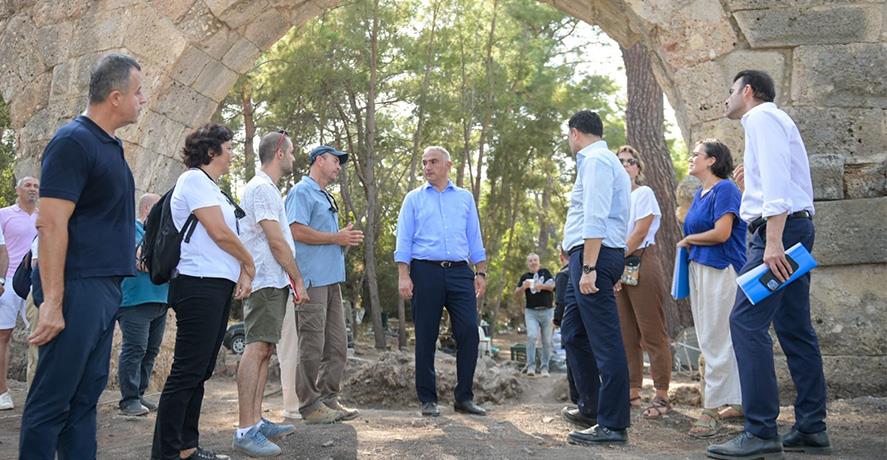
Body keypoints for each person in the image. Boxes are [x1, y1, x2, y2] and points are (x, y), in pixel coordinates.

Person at [19, 53, 144, 459]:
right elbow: (50, 224)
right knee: (52, 400)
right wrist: (52, 303)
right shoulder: (73, 141)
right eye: (137, 93)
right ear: (114, 97)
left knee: (85, 399)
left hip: (105, 287)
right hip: (76, 287)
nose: (142, 100)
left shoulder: (110, 145)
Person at [706, 70, 829, 459]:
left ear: (747, 91)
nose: (725, 99)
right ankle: (811, 428)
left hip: (780, 235)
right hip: (790, 230)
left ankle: (760, 431)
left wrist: (772, 240)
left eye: (729, 91)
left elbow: (778, 182)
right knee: (794, 327)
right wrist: (751, 190)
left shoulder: (759, 117)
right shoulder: (772, 121)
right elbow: (778, 181)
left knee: (745, 321)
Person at [151, 124, 254, 460]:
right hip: (197, 285)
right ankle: (166, 452)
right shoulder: (194, 180)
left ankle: (186, 447)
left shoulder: (212, 187)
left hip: (216, 284)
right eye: (229, 147)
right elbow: (219, 232)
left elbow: (223, 237)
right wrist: (249, 263)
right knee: (186, 370)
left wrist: (238, 270)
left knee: (201, 369)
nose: (233, 153)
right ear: (212, 151)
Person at [395, 146, 488, 417]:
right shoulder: (413, 199)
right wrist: (404, 274)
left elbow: (474, 237)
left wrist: (480, 272)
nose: (427, 167)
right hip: (425, 271)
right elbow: (404, 239)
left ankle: (464, 398)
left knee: (470, 331)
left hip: (460, 272)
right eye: (424, 162)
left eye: (433, 161)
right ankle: (428, 399)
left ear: (449, 165)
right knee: (426, 335)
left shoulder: (465, 198)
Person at [233, 131, 309, 456]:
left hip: (272, 282)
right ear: (279, 152)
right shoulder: (262, 188)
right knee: (256, 349)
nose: (293, 158)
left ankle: (256, 420)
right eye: (291, 152)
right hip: (265, 281)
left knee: (264, 350)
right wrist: (299, 279)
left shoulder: (267, 189)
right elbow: (276, 241)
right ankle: (245, 430)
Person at [559, 110, 631, 446]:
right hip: (585, 257)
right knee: (573, 333)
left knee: (605, 341)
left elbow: (596, 215)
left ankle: (613, 424)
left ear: (575, 133)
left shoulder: (598, 161)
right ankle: (591, 406)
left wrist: (589, 267)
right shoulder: (594, 161)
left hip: (595, 259)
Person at [285, 145, 363, 425]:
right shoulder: (301, 192)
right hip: (311, 281)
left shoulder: (325, 195)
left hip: (332, 281)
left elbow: (328, 238)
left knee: (337, 345)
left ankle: (329, 399)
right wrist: (335, 238)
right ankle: (309, 405)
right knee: (312, 345)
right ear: (319, 160)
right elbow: (294, 230)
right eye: (335, 161)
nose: (338, 166)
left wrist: (344, 240)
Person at [679, 139, 746, 437]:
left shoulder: (726, 189)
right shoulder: (699, 193)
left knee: (717, 338)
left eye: (697, 155)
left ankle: (711, 410)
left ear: (712, 160)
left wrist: (690, 240)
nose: (691, 158)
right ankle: (741, 401)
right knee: (712, 337)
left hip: (722, 269)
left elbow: (722, 232)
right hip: (700, 270)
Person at [613, 145, 673, 419]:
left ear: (638, 168)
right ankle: (632, 391)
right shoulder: (611, 200)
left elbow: (639, 232)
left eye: (630, 161)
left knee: (652, 332)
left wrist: (614, 261)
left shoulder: (644, 194)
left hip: (641, 261)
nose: (625, 165)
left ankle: (661, 394)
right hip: (617, 268)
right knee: (626, 334)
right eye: (620, 161)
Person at [116, 193, 168, 417]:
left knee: (151, 350)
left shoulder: (157, 234)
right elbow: (144, 263)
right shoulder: (131, 230)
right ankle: (128, 400)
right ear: (148, 209)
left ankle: (139, 393)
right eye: (160, 209)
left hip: (160, 300)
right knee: (135, 348)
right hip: (135, 301)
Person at [0, 176, 37, 410]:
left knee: (38, 335)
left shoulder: (43, 216)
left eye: (36, 186)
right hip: (8, 281)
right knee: (3, 336)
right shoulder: (4, 214)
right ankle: (2, 391)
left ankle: (36, 389)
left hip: (34, 282)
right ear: (17, 189)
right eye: (28, 185)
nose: (32, 189)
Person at [514, 252, 555, 377]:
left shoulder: (545, 272)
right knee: (532, 337)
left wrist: (541, 286)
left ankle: (544, 368)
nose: (533, 262)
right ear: (528, 264)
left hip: (547, 311)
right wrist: (523, 287)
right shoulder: (525, 277)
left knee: (547, 341)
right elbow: (516, 295)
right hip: (531, 312)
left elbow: (553, 286)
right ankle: (531, 367)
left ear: (539, 262)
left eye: (535, 260)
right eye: (530, 260)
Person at [553, 248, 579, 408]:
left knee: (573, 361)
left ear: (562, 257)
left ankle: (576, 398)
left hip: (571, 322)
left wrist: (556, 320)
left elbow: (561, 302)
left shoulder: (563, 275)